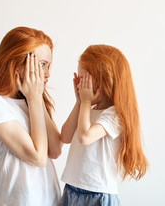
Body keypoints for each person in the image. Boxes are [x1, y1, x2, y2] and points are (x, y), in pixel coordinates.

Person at [0, 26, 62, 206]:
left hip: (51, 199)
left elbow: (54, 150)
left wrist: (35, 98)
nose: (47, 74)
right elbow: (38, 157)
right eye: (42, 65)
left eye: (49, 66)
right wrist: (35, 98)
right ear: (17, 63)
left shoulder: (32, 100)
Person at [60, 44, 148, 205]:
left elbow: (85, 137)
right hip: (72, 188)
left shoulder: (115, 115)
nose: (79, 84)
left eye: (84, 79)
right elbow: (65, 136)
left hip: (98, 194)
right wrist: (80, 102)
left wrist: (86, 101)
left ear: (104, 81)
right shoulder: (87, 110)